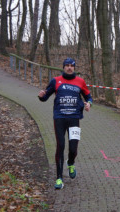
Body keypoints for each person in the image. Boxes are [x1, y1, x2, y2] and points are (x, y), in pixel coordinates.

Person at [38, 58, 93, 189]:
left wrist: (88, 104)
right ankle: (59, 179)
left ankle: (71, 162)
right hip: (59, 118)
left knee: (73, 149)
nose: (69, 68)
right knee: (60, 146)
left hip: (74, 118)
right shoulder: (56, 81)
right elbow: (45, 97)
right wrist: (41, 96)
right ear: (63, 67)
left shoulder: (80, 82)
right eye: (67, 66)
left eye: (71, 66)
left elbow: (89, 97)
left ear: (74, 68)